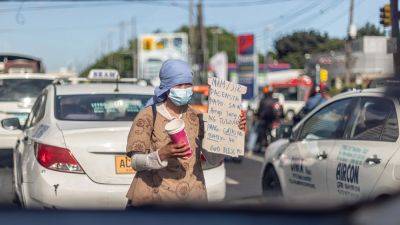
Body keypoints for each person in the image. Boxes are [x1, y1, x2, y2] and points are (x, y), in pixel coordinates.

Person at [125, 59, 246, 207]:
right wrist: (161, 154)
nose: (184, 89)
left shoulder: (196, 117)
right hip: (154, 201)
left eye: (188, 85)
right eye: (179, 85)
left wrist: (229, 134)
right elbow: (135, 162)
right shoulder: (148, 116)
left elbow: (212, 159)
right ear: (167, 87)